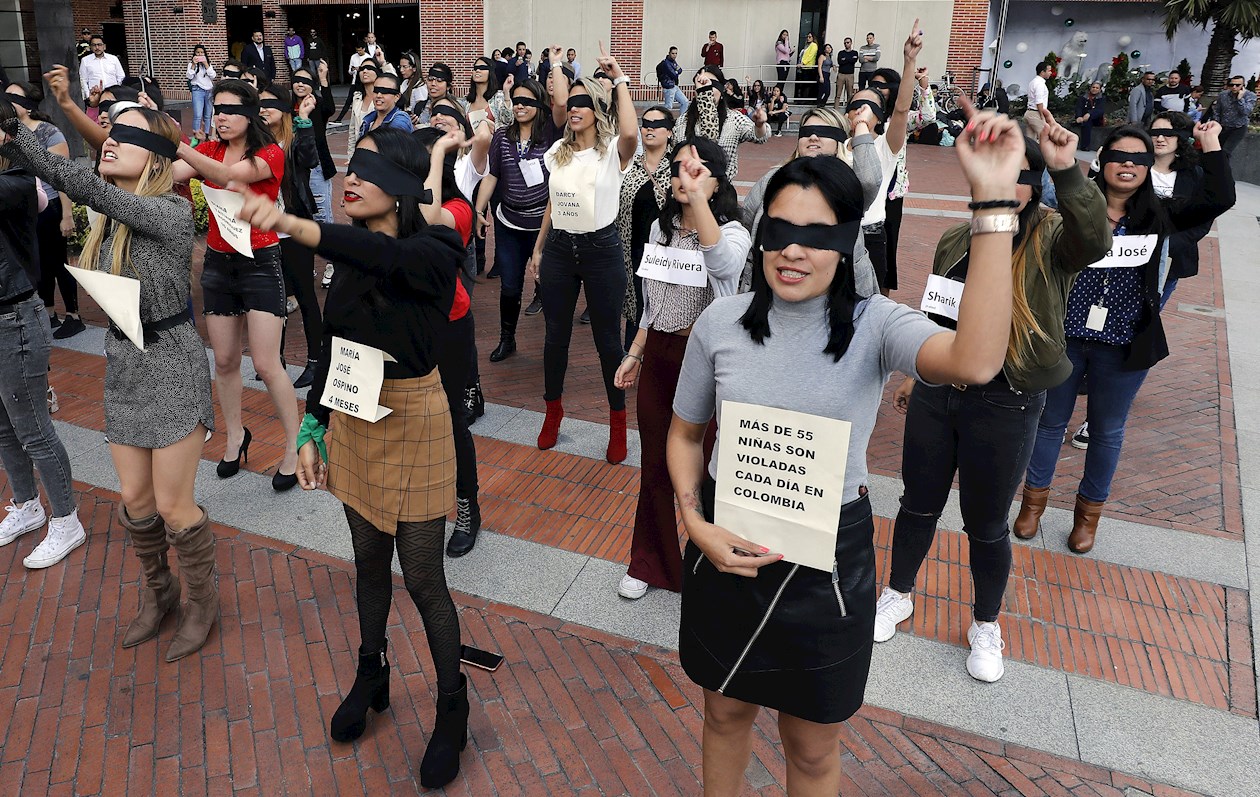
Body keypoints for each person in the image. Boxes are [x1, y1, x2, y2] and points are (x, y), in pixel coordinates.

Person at [667, 102, 1025, 796]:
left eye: (817, 232)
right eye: (779, 229)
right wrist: (695, 519)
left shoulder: (875, 325)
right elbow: (684, 433)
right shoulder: (721, 322)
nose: (793, 249)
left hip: (827, 562)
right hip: (725, 543)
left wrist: (991, 202)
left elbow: (977, 360)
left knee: (809, 744)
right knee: (723, 710)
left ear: (846, 240)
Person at [236, 126, 471, 789]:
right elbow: (337, 349)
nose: (350, 178)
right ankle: (373, 671)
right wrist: (311, 425)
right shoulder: (349, 264)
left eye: (367, 171)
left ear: (400, 188)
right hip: (358, 416)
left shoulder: (437, 246)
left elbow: (380, 254)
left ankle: (453, 704)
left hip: (418, 419)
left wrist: (290, 222)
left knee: (423, 575)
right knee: (368, 558)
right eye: (350, 167)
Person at [877, 108, 1110, 682]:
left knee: (985, 523)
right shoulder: (958, 238)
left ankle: (985, 622)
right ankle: (897, 592)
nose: (1013, 185)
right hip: (940, 393)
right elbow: (937, 316)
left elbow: (1096, 239)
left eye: (1024, 175)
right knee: (917, 504)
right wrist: (914, 374)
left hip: (1007, 400)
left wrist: (1069, 171)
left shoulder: (1054, 235)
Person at [1014, 121, 1235, 553]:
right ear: (1103, 161)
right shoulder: (1076, 204)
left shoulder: (1159, 213)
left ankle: (1087, 516)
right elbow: (1036, 190)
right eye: (1119, 156)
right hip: (1066, 337)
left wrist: (1211, 146)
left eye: (1139, 158)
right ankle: (1032, 505)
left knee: (1107, 431)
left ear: (1150, 164)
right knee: (1049, 423)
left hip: (1124, 343)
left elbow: (1219, 198)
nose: (1128, 165)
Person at [613, 139, 749, 601]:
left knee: (708, 466)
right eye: (677, 168)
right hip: (660, 355)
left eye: (695, 169)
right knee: (654, 461)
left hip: (707, 362)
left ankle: (712, 560)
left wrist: (697, 202)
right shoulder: (659, 228)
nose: (682, 176)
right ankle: (650, 562)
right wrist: (635, 351)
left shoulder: (732, 233)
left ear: (716, 180)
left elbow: (723, 264)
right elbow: (653, 301)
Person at [172, 80, 301, 491]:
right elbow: (169, 171)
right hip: (218, 264)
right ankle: (234, 437)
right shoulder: (207, 150)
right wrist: (141, 134)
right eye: (216, 107)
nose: (221, 115)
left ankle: (296, 447)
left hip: (260, 262)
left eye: (230, 109)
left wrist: (179, 144)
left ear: (251, 114)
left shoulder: (269, 153)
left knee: (266, 363)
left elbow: (227, 176)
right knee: (225, 360)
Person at [528, 44, 639, 463]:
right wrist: (538, 248)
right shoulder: (558, 152)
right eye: (569, 103)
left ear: (597, 108)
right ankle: (552, 413)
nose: (572, 109)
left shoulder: (612, 152)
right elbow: (553, 206)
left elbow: (630, 132)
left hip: (601, 249)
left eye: (582, 103)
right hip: (559, 248)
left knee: (608, 342)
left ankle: (616, 422)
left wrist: (620, 80)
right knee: (555, 337)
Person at [0, 98, 84, 572]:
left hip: (15, 318)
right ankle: (27, 505)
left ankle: (67, 519)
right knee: (3, 426)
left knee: (32, 427)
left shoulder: (15, 183)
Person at [740, 106, 883, 299]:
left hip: (839, 295)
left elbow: (869, 179)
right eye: (806, 132)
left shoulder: (846, 184)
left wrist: (860, 124)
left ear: (839, 140)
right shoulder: (773, 178)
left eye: (824, 132)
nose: (813, 137)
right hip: (770, 288)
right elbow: (746, 221)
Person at [476, 77, 565, 363]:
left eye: (527, 101)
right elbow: (492, 175)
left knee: (550, 286)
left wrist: (554, 65)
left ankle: (553, 345)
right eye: (516, 101)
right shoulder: (502, 136)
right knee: (510, 286)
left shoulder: (551, 134)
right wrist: (479, 210)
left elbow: (561, 104)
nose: (520, 106)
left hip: (544, 224)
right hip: (509, 224)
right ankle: (507, 338)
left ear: (539, 105)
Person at [259, 84, 323, 392]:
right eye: (259, 104)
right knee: (274, 295)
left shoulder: (295, 137)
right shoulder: (255, 141)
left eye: (270, 104)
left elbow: (310, 160)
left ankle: (315, 360)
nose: (263, 109)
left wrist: (305, 121)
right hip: (264, 231)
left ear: (284, 109)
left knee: (304, 294)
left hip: (293, 228)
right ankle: (276, 358)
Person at [4, 82, 81, 338]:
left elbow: (62, 176)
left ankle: (74, 315)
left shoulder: (48, 132)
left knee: (58, 262)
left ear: (27, 104)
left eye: (12, 96)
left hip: (51, 206)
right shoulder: (9, 132)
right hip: (26, 209)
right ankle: (49, 312)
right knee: (39, 264)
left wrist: (67, 215)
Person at [616, 105, 675, 351]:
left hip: (668, 255)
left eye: (657, 124)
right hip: (634, 253)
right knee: (637, 308)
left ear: (670, 132)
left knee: (666, 310)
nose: (650, 128)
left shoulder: (677, 167)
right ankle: (632, 357)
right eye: (646, 123)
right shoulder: (629, 167)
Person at [1148, 111, 1213, 308]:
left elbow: (1202, 221)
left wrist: (1168, 245)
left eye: (1168, 134)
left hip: (1170, 258)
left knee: (1150, 317)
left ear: (1182, 137)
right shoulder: (1134, 167)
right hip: (1129, 252)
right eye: (1155, 132)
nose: (1160, 138)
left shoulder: (1195, 175)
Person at [674, 65, 769, 176]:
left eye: (711, 84)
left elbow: (760, 136)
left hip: (721, 188)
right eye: (701, 82)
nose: (707, 88)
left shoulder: (733, 119)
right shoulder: (683, 121)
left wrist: (759, 125)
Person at [79, 35, 125, 109]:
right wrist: (88, 96)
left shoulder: (113, 59)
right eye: (94, 45)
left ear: (104, 46)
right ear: (90, 47)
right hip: (95, 97)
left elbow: (121, 76)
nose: (97, 47)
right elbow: (83, 80)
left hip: (113, 96)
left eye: (99, 45)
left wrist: (117, 91)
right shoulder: (85, 60)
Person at [1215, 76, 1257, 155]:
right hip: (1223, 127)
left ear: (1243, 85)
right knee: (1217, 150)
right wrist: (1216, 122)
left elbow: (1246, 112)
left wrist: (1240, 99)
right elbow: (1217, 110)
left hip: (1238, 128)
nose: (1234, 87)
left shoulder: (1250, 96)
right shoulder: (1223, 95)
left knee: (1226, 151)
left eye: (1237, 85)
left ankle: (1223, 167)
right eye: (1232, 85)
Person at [1074, 81, 1106, 150]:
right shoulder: (1083, 97)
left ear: (1100, 90)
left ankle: (1085, 146)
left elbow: (1100, 111)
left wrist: (1090, 114)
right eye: (1093, 87)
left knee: (1088, 121)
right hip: (1083, 118)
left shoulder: (1101, 98)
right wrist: (1079, 116)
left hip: (1096, 119)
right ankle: (1084, 145)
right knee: (1086, 123)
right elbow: (1079, 107)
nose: (1094, 89)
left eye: (1097, 88)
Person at [657, 47, 688, 114]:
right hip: (668, 86)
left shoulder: (673, 62)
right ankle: (664, 121)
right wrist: (676, 72)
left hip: (674, 85)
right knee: (668, 107)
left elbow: (680, 70)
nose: (674, 55)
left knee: (685, 102)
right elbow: (673, 74)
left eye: (676, 53)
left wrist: (676, 71)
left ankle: (682, 120)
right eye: (673, 53)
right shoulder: (666, 63)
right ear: (669, 53)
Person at [1026, 62, 1051, 140]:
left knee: (1030, 140)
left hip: (1029, 112)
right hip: (1035, 113)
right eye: (1049, 71)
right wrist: (1042, 115)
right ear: (1042, 72)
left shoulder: (1033, 82)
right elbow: (1039, 101)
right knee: (1044, 136)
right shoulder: (1040, 84)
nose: (1051, 73)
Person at [835, 37, 859, 108]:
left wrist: (845, 59)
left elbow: (854, 60)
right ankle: (835, 110)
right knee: (838, 94)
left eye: (848, 42)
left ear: (851, 43)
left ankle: (848, 110)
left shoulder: (855, 52)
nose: (846, 44)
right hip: (841, 74)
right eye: (845, 43)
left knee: (849, 94)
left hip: (850, 75)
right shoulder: (841, 53)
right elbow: (840, 62)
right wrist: (849, 59)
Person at [797, 32, 819, 102]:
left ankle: (805, 99)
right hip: (803, 67)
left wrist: (803, 63)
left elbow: (810, 56)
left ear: (813, 38)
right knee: (802, 84)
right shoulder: (806, 45)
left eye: (810, 37)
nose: (808, 38)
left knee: (807, 84)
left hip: (809, 67)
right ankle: (802, 99)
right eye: (807, 37)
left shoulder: (814, 45)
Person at [817, 43, 835, 107]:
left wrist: (834, 66)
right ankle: (819, 105)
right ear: (824, 49)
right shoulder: (822, 56)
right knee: (821, 91)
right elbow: (819, 67)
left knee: (828, 92)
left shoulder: (829, 57)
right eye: (827, 48)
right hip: (823, 73)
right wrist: (821, 76)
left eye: (830, 47)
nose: (829, 49)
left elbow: (831, 64)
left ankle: (822, 104)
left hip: (827, 75)